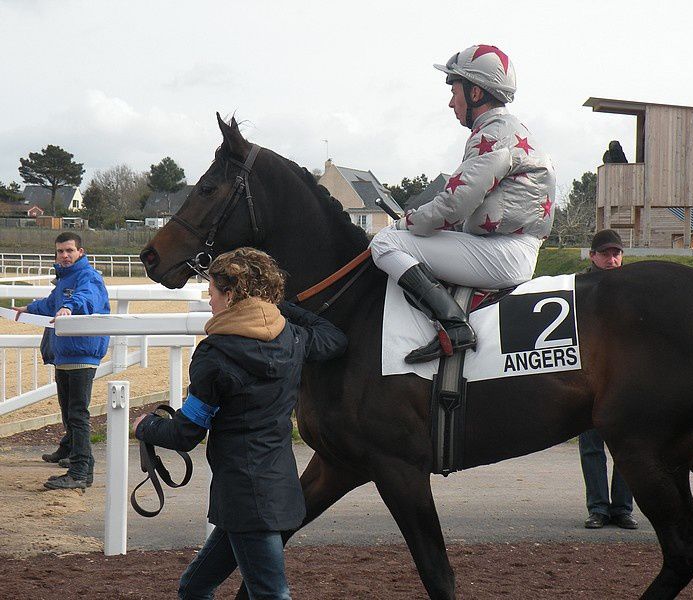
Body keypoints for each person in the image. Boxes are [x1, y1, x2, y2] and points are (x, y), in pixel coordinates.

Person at [133, 247, 347, 600]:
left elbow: (187, 433)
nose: (209, 298)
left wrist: (145, 427)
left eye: (212, 291)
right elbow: (334, 337)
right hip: (278, 490)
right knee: (194, 586)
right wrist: (277, 308)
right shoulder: (293, 338)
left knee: (269, 593)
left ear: (229, 294)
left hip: (244, 498)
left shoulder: (214, 354)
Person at [370, 43, 556, 363]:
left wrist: (406, 221)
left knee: (385, 242)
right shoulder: (507, 130)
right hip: (508, 247)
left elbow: (453, 205)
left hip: (503, 253)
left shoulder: (494, 134)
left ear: (475, 94)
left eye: (454, 90)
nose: (450, 102)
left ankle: (453, 324)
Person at [15, 232, 109, 490]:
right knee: (71, 413)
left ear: (81, 251)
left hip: (81, 353)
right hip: (65, 353)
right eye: (60, 251)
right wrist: (28, 309)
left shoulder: (88, 277)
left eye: (69, 250)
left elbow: (85, 298)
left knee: (77, 414)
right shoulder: (65, 280)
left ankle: (79, 471)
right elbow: (51, 304)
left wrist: (70, 308)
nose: (64, 256)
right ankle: (80, 464)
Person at [579, 229, 638, 529]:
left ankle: (623, 508)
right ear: (592, 256)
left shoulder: (632, 289)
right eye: (605, 253)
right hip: (589, 379)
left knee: (626, 446)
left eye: (616, 253)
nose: (611, 258)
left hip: (623, 380)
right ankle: (598, 508)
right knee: (591, 447)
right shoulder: (578, 287)